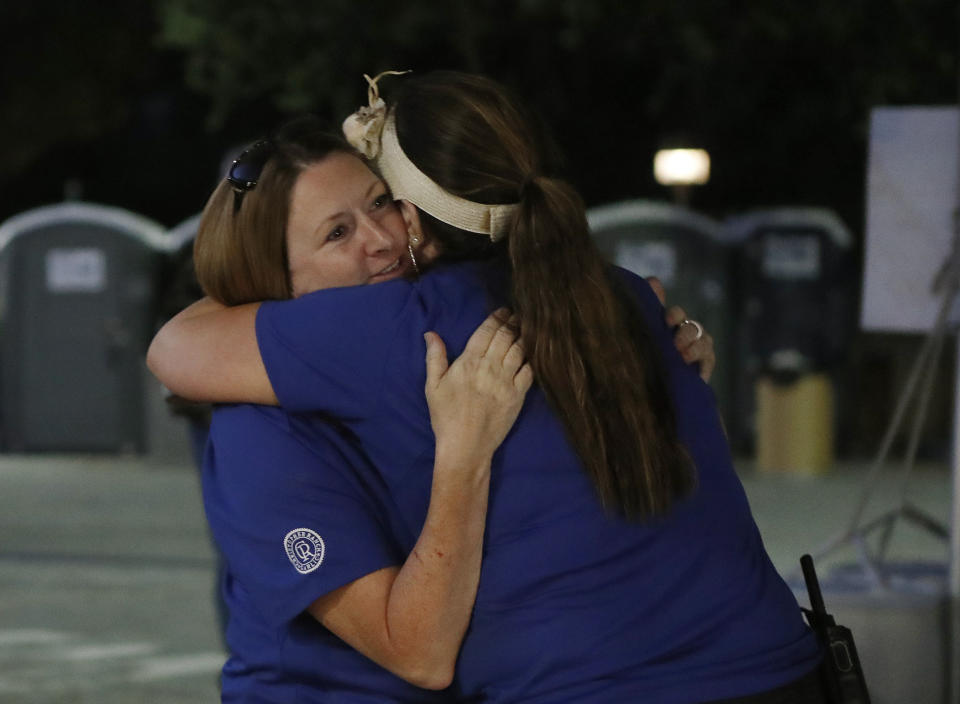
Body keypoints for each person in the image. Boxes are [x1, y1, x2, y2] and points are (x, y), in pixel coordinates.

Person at [149, 70, 821, 703]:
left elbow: (177, 346)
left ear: (414, 210)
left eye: (381, 202)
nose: (381, 238)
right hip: (782, 665)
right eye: (337, 232)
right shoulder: (612, 295)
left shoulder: (407, 326)